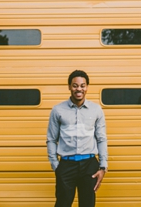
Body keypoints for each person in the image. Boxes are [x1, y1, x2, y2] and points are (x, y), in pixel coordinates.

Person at [47, 70, 108, 207]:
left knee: (87, 204)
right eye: (75, 85)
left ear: (87, 87)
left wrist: (103, 166)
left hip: (89, 165)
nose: (79, 89)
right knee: (62, 203)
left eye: (82, 85)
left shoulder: (96, 110)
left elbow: (101, 139)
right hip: (66, 165)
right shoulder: (58, 110)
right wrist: (56, 166)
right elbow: (51, 139)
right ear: (69, 87)